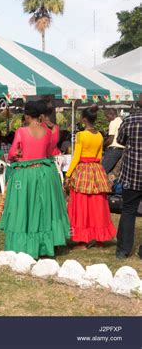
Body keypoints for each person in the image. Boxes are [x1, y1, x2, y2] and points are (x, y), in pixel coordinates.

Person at [0, 101, 70, 258]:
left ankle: (24, 244)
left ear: (27, 116)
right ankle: (47, 243)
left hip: (25, 175)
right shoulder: (49, 132)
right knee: (45, 208)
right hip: (45, 173)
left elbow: (11, 154)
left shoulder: (22, 131)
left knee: (25, 208)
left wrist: (17, 154)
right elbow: (49, 152)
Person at [65, 105, 116, 249]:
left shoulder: (81, 135)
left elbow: (76, 157)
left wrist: (68, 174)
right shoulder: (100, 135)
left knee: (81, 204)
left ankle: (82, 240)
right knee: (98, 204)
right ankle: (99, 239)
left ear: (83, 119)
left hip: (83, 170)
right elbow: (100, 156)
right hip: (96, 170)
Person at [115, 95, 142, 259]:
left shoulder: (129, 120)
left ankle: (123, 250)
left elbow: (120, 140)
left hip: (132, 174)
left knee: (128, 211)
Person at [102, 108, 125, 173]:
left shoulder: (113, 122)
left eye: (107, 116)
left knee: (102, 172)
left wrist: (102, 146)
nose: (107, 119)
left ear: (111, 115)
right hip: (121, 150)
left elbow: (110, 140)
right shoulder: (122, 121)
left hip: (113, 150)